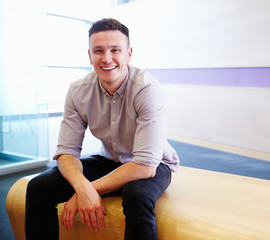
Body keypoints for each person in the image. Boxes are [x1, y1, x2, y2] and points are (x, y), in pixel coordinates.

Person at [25, 18, 179, 240]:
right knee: (39, 187)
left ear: (129, 53)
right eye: (98, 51)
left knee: (137, 195)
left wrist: (91, 189)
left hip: (153, 163)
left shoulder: (147, 88)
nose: (107, 59)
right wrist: (83, 188)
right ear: (89, 55)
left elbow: (145, 166)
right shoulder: (78, 90)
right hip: (110, 159)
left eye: (115, 50)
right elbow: (67, 151)